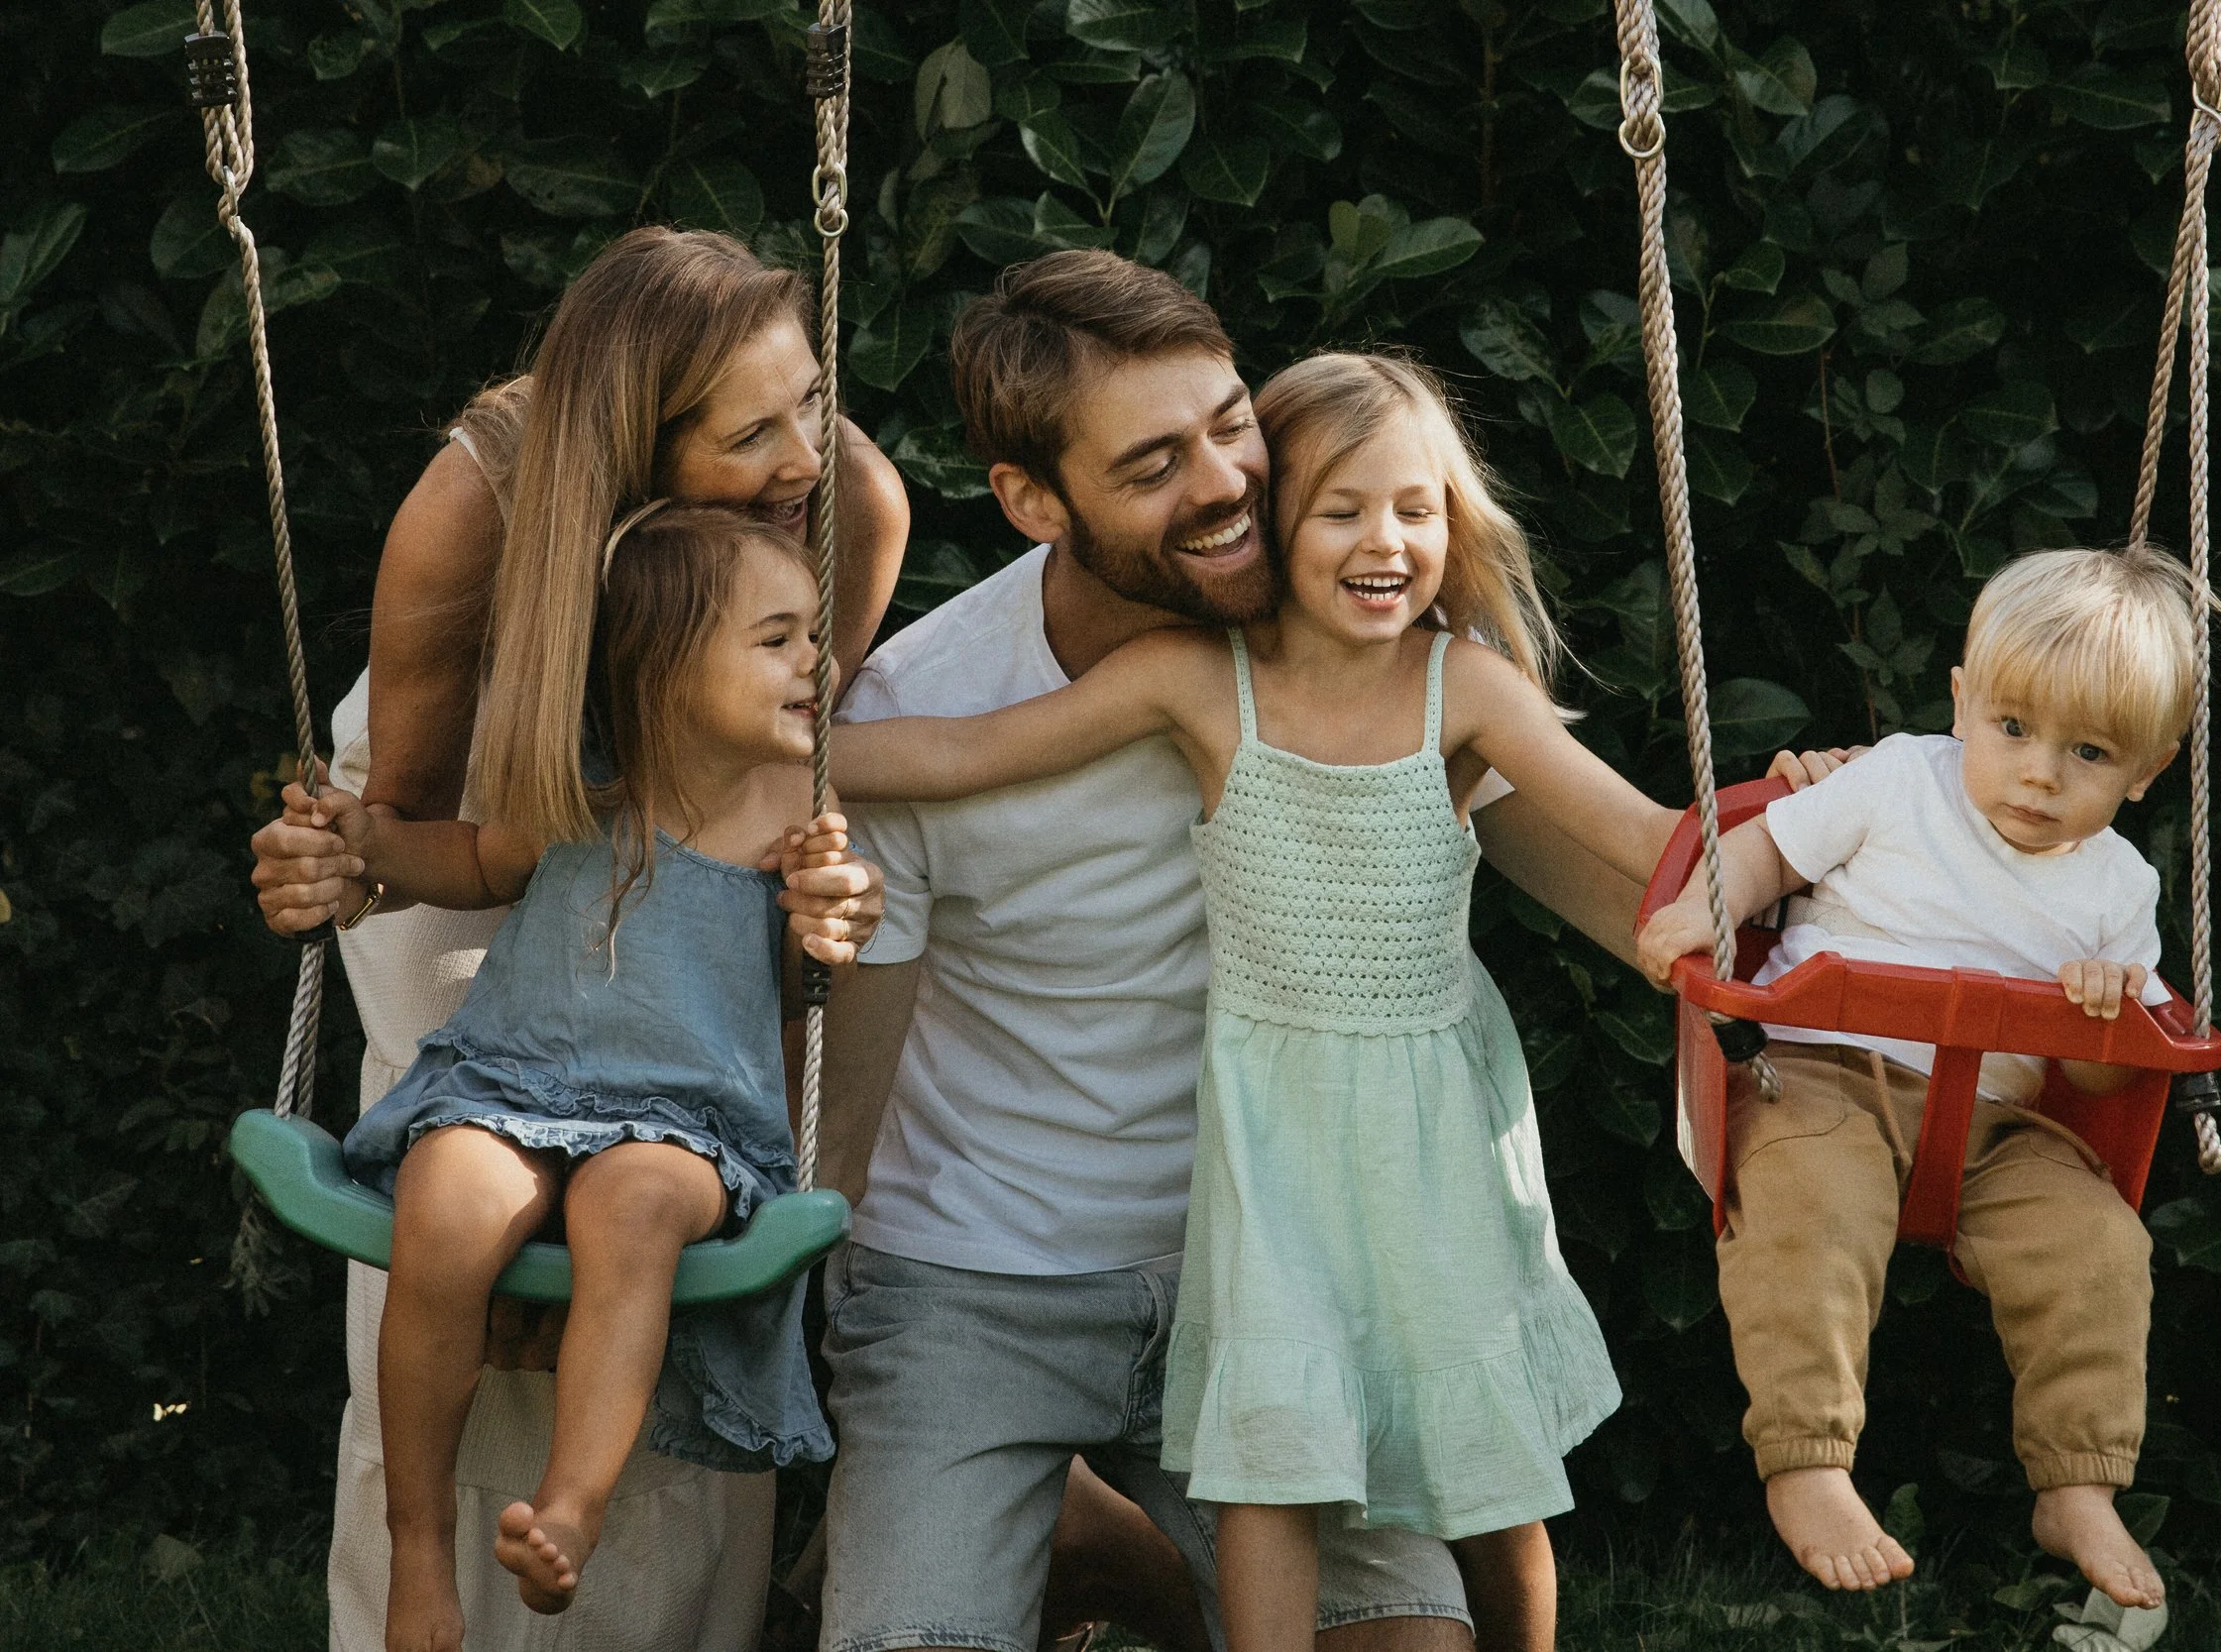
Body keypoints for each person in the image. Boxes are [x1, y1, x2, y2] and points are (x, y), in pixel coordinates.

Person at [805, 249, 1847, 1652]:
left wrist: (1835, 837)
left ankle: (1126, 1550)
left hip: (1291, 1257)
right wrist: (808, 1300)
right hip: (984, 1277)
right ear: (1033, 500)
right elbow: (853, 1077)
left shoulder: (1383, 656)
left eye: (1231, 420)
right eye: (1156, 461)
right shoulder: (940, 697)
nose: (1228, 480)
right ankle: (1061, 1514)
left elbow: (1626, 877)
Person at [245, 226, 903, 1652]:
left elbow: (794, 753)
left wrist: (814, 894)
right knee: (457, 1211)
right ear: (637, 443)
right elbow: (418, 829)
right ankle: (412, 1580)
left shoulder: (842, 495)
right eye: (751, 431)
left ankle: (653, 1595)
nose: (804, 451)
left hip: (701, 845)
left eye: (813, 397)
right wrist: (336, 861)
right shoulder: (473, 507)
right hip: (506, 785)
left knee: (639, 1218)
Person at [1635, 545, 2209, 1610]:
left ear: (2149, 768)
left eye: (2088, 750)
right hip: (1823, 1078)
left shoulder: (2118, 887)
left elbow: (2096, 1077)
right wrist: (1711, 907)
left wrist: (2100, 1009)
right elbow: (1772, 848)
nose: (2040, 771)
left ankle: (2076, 1479)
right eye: (2012, 728)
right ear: (1962, 701)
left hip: (1996, 1125)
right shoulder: (1898, 777)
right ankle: (1806, 1454)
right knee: (1805, 1194)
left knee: (2099, 1242)